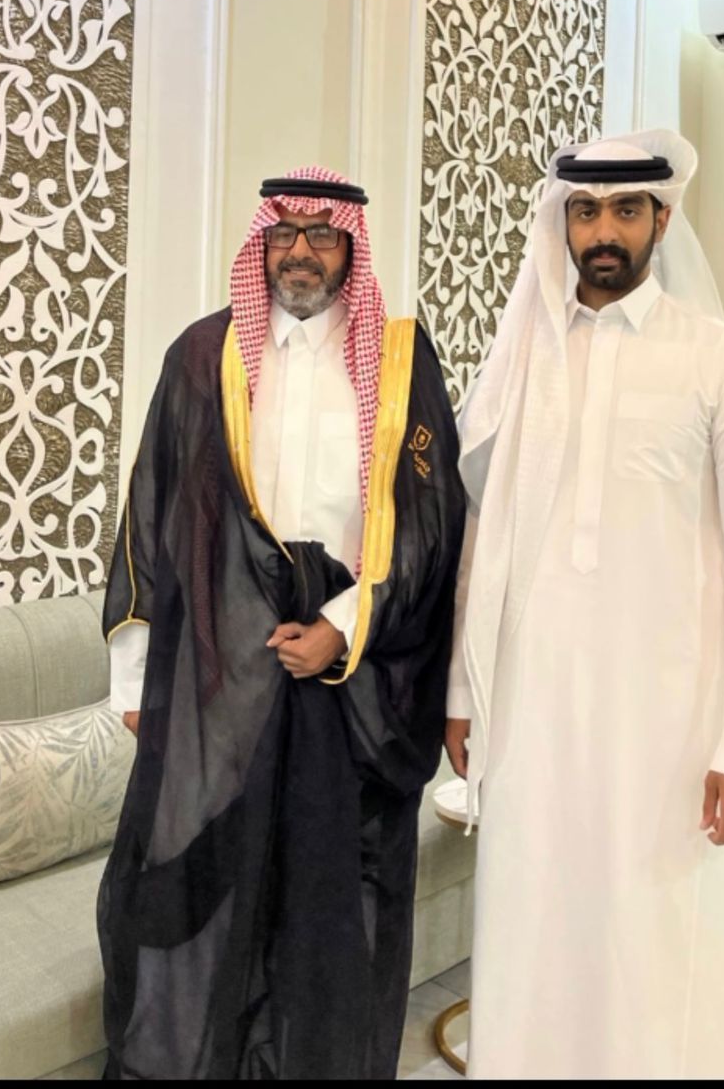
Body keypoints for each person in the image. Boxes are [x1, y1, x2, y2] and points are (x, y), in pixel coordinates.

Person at [446, 129, 724, 1080]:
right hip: (532, 711)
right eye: (585, 211)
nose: (604, 231)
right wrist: (463, 693)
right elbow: (484, 539)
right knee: (530, 923)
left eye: (627, 210)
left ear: (662, 221)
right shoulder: (523, 361)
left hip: (669, 725)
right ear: (561, 223)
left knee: (654, 940)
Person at [98, 165, 466, 1079]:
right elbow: (153, 512)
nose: (301, 251)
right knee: (213, 873)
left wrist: (343, 626)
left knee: (331, 892)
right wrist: (137, 679)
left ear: (351, 246)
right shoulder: (203, 356)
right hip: (226, 667)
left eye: (322, 233)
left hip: (355, 677)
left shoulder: (401, 362)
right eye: (285, 233)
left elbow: (430, 523)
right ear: (262, 242)